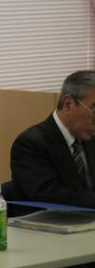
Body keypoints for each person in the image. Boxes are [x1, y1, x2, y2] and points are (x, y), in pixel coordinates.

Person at [11, 70, 95, 207]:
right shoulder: (30, 144)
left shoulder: (90, 137)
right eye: (94, 110)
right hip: (52, 219)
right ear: (68, 104)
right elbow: (50, 197)